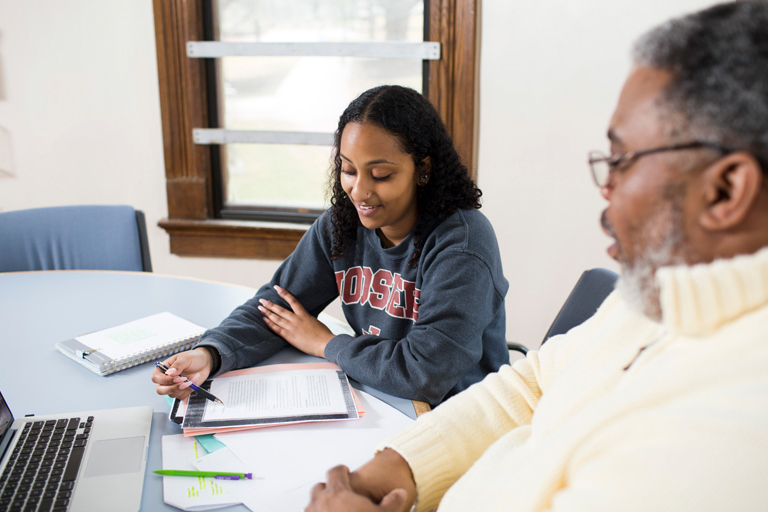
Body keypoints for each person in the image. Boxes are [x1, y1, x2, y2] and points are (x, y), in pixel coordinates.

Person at [304, 3, 768, 511]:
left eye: (623, 160)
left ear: (726, 191)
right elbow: (533, 384)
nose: (606, 187)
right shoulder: (659, 295)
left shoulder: (735, 428)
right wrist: (400, 467)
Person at [152, 85, 510, 407]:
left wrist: (325, 343)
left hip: (460, 418)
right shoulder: (342, 225)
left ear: (423, 169)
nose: (360, 191)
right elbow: (277, 308)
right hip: (381, 399)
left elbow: (424, 375)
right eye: (348, 170)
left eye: (381, 175)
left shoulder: (462, 246)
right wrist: (209, 353)